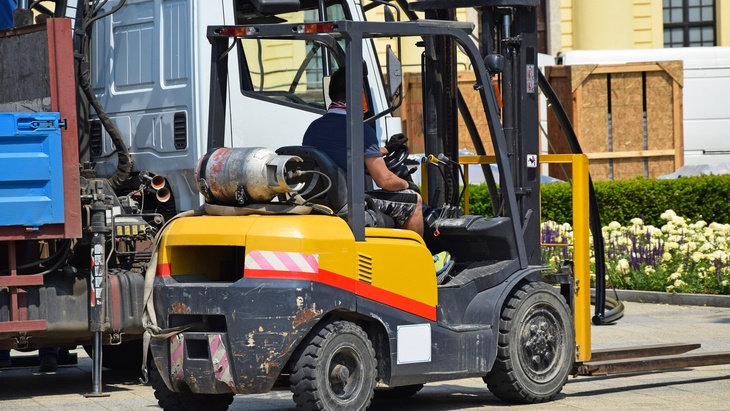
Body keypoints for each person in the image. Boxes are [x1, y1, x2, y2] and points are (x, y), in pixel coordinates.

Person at [302, 66, 424, 237]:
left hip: (323, 201)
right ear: (355, 95)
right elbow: (385, 180)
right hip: (352, 202)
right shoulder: (359, 129)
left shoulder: (313, 128)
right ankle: (416, 259)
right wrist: (407, 185)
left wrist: (386, 150)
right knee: (413, 201)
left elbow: (342, 151)